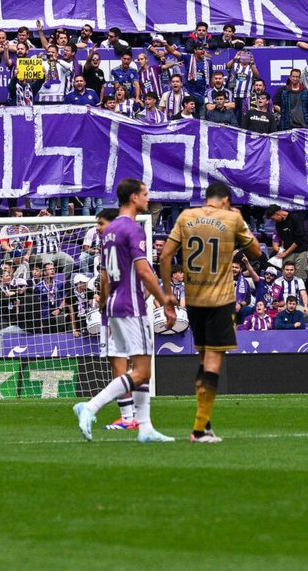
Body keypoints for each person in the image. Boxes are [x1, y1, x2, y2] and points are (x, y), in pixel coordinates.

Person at [72, 178, 178, 443]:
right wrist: (164, 299)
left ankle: (145, 428)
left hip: (114, 305)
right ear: (133, 198)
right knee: (141, 371)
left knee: (142, 370)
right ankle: (91, 406)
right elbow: (144, 271)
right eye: (145, 194)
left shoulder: (109, 231)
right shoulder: (132, 229)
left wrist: (104, 304)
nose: (147, 198)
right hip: (132, 306)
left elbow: (105, 275)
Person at [158, 181, 263, 442]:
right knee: (214, 363)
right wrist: (243, 223)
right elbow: (258, 252)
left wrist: (169, 294)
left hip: (193, 301)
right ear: (226, 200)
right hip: (220, 301)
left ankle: (204, 426)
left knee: (203, 360)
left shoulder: (185, 216)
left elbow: (164, 256)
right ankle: (198, 429)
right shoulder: (231, 219)